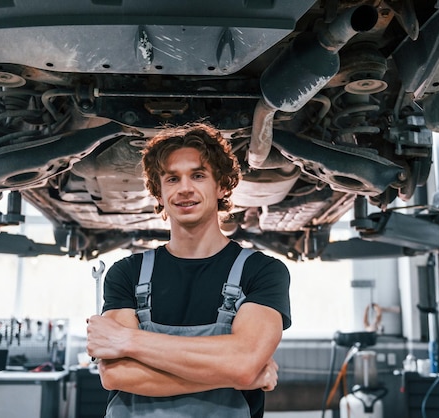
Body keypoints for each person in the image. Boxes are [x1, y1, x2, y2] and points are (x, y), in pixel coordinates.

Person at [86, 122, 292, 417]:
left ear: (221, 186)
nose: (184, 189)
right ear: (158, 193)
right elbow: (117, 376)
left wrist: (129, 341)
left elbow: (245, 363)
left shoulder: (261, 272)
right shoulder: (127, 273)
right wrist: (230, 373)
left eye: (198, 175)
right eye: (172, 179)